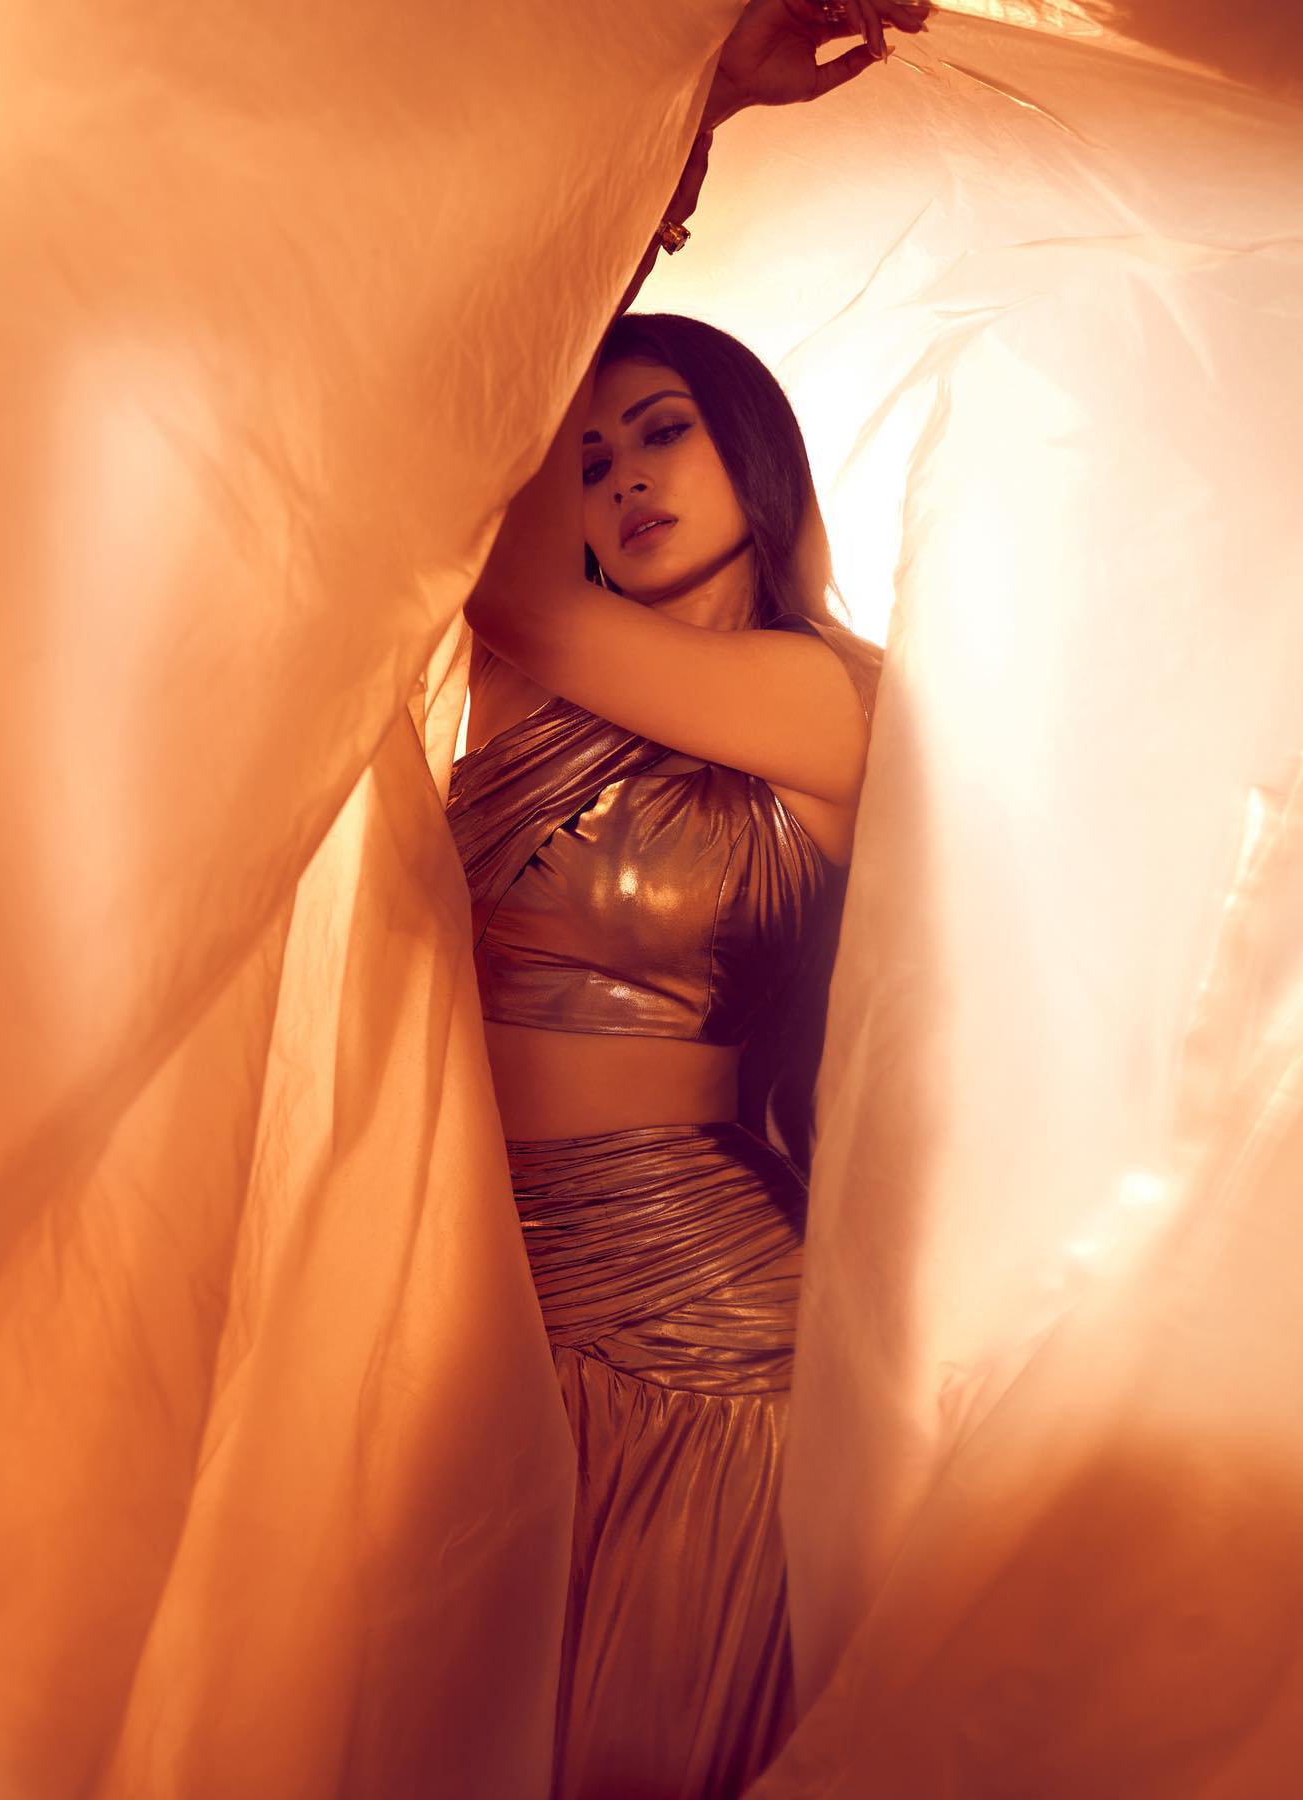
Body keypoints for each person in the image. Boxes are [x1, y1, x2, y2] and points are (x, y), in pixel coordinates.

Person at [446, 5, 929, 1793]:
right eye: (591, 463)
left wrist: (685, 128)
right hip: (486, 1301)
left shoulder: (821, 700)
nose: (623, 476)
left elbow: (525, 590)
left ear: (755, 455)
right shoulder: (529, 694)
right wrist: (688, 114)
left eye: (661, 433)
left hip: (702, 1334)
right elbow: (495, 425)